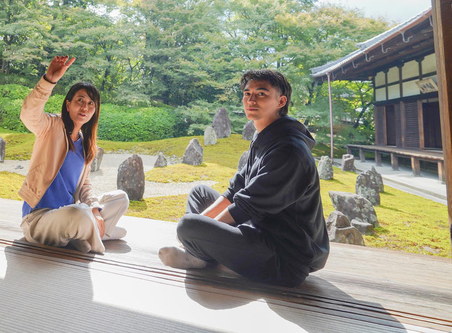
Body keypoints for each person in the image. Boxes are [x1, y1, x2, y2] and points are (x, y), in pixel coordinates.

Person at [158, 69, 329, 287]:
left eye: (261, 94)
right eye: (247, 94)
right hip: (259, 229)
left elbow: (247, 207)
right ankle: (199, 253)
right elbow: (234, 192)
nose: (251, 99)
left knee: (188, 226)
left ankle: (199, 255)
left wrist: (197, 234)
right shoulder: (266, 137)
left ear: (281, 101)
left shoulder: (289, 150)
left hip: (285, 257)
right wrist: (202, 233)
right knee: (200, 193)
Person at [19, 56, 129, 253]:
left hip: (70, 213)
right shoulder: (50, 127)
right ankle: (97, 235)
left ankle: (91, 230)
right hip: (40, 219)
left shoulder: (86, 144)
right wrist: (49, 80)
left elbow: (84, 185)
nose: (85, 107)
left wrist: (95, 210)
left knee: (120, 198)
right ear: (68, 105)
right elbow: (28, 114)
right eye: (80, 101)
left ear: (94, 111)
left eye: (91, 104)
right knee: (78, 213)